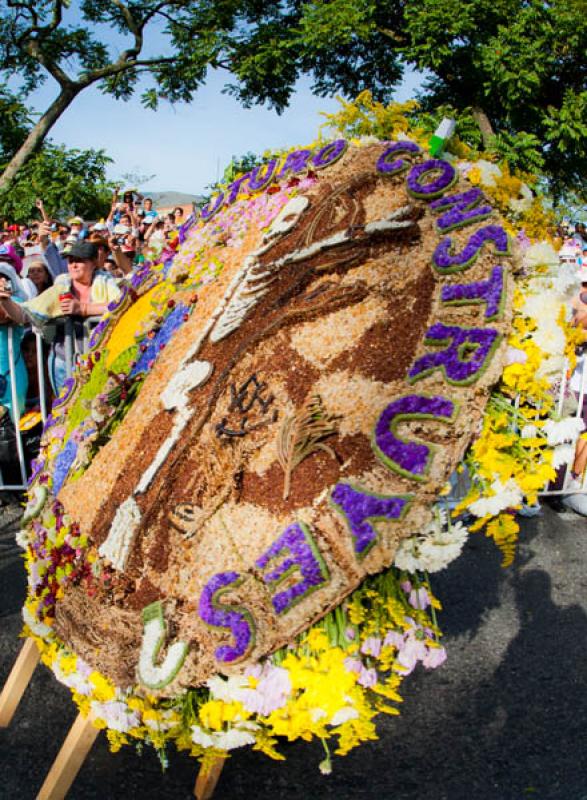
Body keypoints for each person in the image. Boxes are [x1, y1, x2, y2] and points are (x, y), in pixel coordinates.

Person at [0, 241, 121, 393]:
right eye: (71, 261)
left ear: (93, 263)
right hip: (64, 362)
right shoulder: (60, 287)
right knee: (68, 412)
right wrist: (5, 300)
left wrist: (83, 308)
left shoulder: (106, 281)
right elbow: (23, 315)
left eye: (80, 260)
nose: (73, 265)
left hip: (102, 357)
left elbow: (122, 303)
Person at [0, 264, 28, 423]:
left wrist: (3, 299)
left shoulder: (14, 302)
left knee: (11, 427)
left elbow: (4, 316)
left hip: (9, 377)